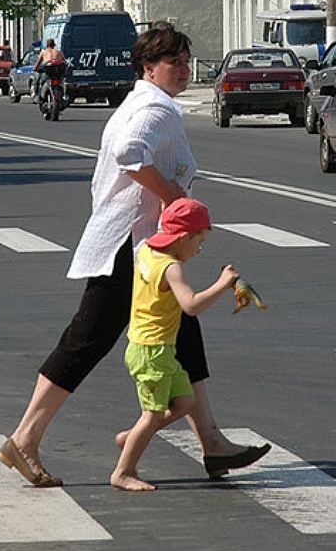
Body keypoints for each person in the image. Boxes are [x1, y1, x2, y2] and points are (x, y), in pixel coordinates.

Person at [0, 21, 269, 488]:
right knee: (87, 339)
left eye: (186, 61)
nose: (183, 70)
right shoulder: (153, 109)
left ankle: (211, 442)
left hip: (141, 244)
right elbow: (128, 152)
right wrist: (171, 199)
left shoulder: (146, 103)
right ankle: (25, 438)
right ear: (149, 67)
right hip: (130, 246)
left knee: (183, 332)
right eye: (173, 62)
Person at [111, 198, 265, 491]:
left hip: (151, 346)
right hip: (151, 351)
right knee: (153, 414)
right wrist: (223, 283)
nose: (198, 250)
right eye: (199, 242)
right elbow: (190, 306)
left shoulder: (146, 251)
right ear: (183, 238)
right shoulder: (171, 269)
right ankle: (123, 471)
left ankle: (132, 436)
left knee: (185, 402)